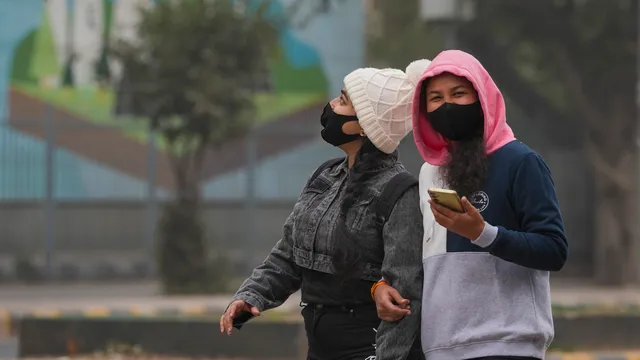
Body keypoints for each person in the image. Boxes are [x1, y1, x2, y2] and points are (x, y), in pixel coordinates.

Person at [220, 63, 431, 360]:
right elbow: (290, 254)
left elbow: (404, 296)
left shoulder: (401, 193)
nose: (331, 104)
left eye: (343, 100)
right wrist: (251, 295)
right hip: (319, 347)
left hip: (367, 347)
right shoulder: (326, 175)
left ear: (364, 125)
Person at [373, 50, 569, 360]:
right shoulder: (429, 172)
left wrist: (483, 233)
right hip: (440, 347)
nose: (446, 105)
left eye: (458, 93)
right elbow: (420, 255)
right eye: (435, 98)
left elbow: (554, 249)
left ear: (482, 97)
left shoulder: (521, 162)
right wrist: (382, 286)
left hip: (506, 345)